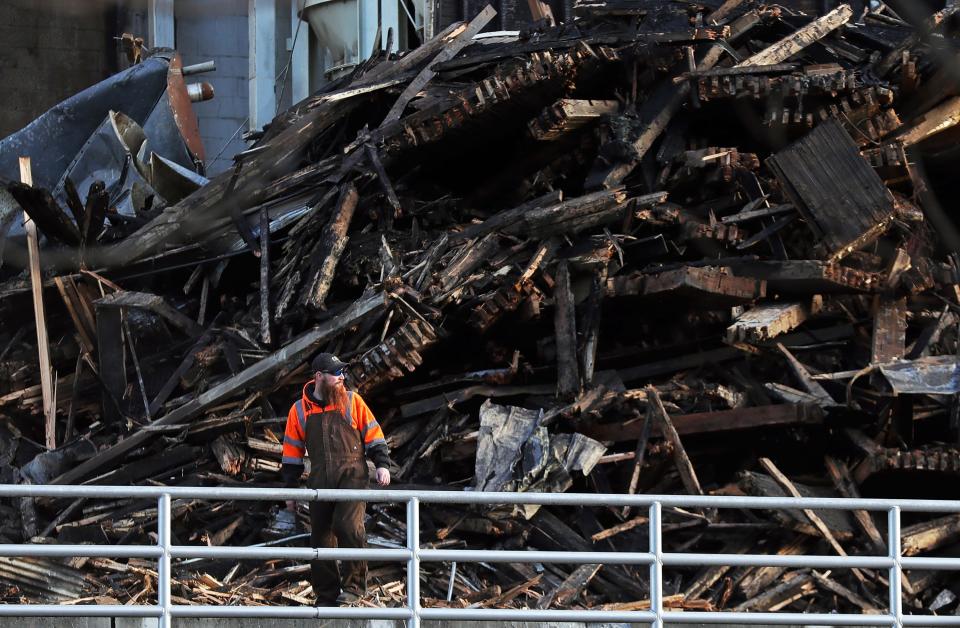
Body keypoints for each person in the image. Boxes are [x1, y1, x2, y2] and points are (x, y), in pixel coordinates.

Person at [281, 352, 392, 606]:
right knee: (320, 537)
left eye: (343, 372)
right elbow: (291, 454)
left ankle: (354, 587)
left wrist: (382, 465)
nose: (342, 377)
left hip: (353, 475)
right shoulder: (299, 411)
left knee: (348, 527)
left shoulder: (353, 401)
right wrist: (290, 491)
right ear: (319, 377)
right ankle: (327, 595)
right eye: (336, 373)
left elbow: (375, 435)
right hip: (319, 477)